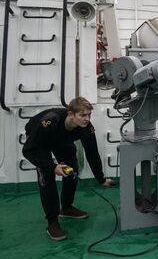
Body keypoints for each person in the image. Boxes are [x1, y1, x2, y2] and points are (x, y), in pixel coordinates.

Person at [22, 97, 116, 241]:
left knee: (72, 171)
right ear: (71, 114)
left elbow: (92, 152)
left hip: (61, 140)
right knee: (47, 177)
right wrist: (53, 167)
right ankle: (52, 222)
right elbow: (29, 150)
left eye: (89, 115)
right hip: (40, 141)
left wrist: (101, 178)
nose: (87, 119)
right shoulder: (50, 122)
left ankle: (66, 207)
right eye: (83, 115)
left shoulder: (86, 128)